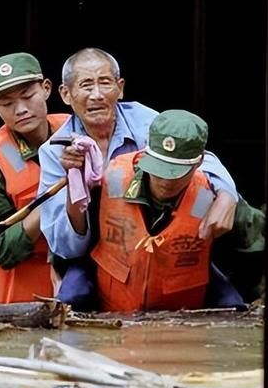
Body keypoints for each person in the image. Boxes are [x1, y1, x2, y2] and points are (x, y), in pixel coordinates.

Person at [37, 48, 260, 309]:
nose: (96, 95)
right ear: (65, 94)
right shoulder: (55, 151)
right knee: (70, 302)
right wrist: (76, 182)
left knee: (230, 304)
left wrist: (226, 195)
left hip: (163, 240)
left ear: (120, 88)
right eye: (86, 85)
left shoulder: (147, 123)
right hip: (98, 247)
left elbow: (196, 156)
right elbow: (68, 248)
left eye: (105, 83)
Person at [0, 52, 69, 303]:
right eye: (7, 103)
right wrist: (52, 204)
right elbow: (0, 250)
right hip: (17, 288)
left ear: (46, 89)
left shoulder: (76, 131)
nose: (20, 109)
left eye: (27, 96)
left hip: (75, 277)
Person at [92, 109, 220, 310]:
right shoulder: (113, 177)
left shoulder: (211, 196)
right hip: (111, 316)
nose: (166, 181)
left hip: (179, 324)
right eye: (159, 169)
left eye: (176, 173)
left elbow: (253, 237)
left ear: (199, 162)